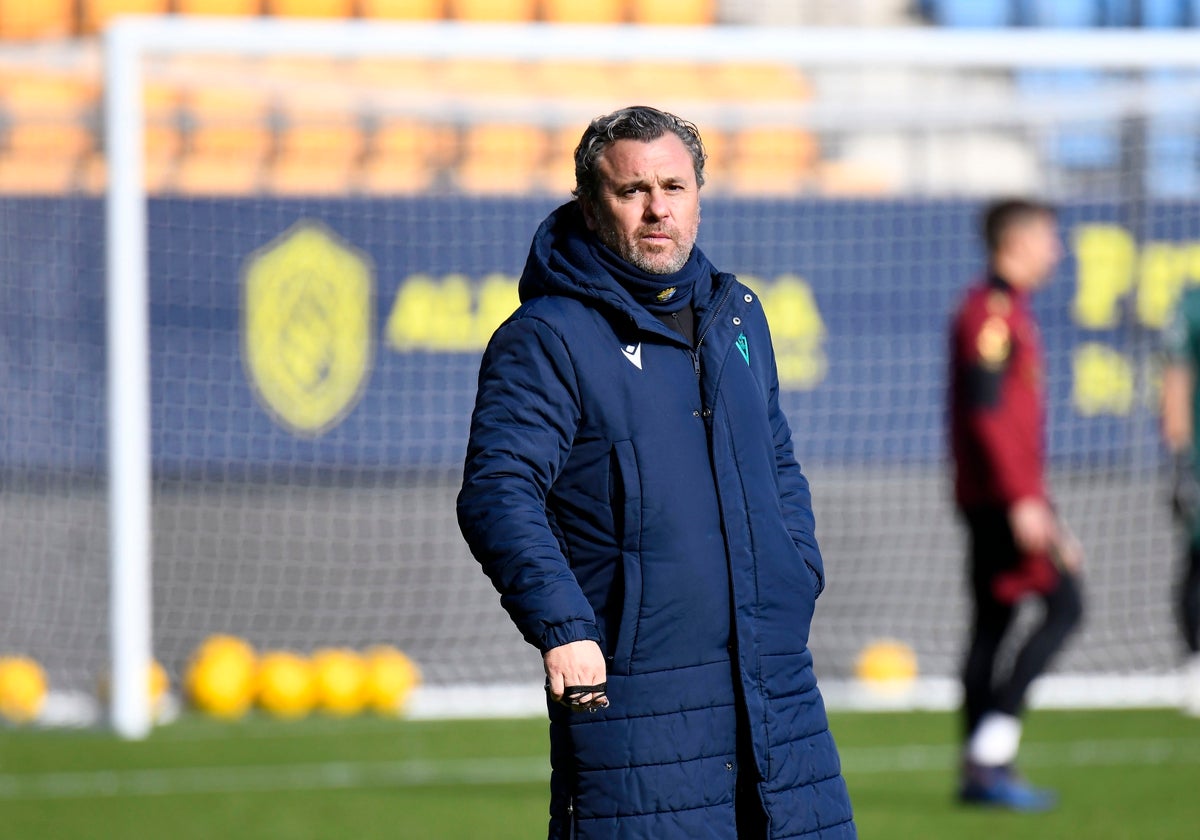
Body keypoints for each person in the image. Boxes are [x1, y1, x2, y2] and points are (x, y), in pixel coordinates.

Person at [457, 106, 855, 839]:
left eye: (673, 185)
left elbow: (777, 460)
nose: (656, 208)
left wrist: (795, 570)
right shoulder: (546, 337)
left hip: (774, 683)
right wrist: (565, 627)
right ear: (589, 202)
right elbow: (498, 490)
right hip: (634, 694)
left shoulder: (739, 315)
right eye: (632, 190)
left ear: (699, 191)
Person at [947, 198, 1084, 811]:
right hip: (1004, 500)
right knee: (1065, 604)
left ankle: (981, 769)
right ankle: (990, 754)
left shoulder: (1008, 311)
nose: (1059, 251)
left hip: (1006, 496)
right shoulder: (992, 315)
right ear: (1018, 242)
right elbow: (987, 414)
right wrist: (1026, 501)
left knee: (993, 627)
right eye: (1050, 238)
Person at [1159, 289, 1200, 716]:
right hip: (1199, 458)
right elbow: (1175, 380)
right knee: (1198, 558)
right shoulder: (1190, 307)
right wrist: (1180, 459)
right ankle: (1196, 666)